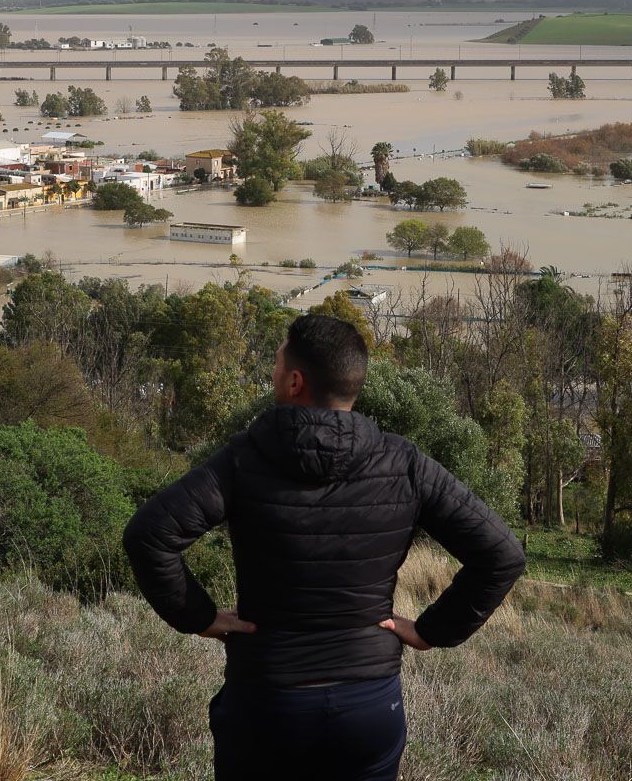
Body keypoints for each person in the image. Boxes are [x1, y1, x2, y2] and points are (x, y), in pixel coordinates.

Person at [123, 314, 524, 781]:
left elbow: (149, 535)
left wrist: (200, 618)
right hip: (368, 706)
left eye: (276, 363)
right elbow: (502, 553)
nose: (272, 372)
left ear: (295, 382)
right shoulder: (405, 463)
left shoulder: (244, 459)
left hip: (267, 703)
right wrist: (433, 631)